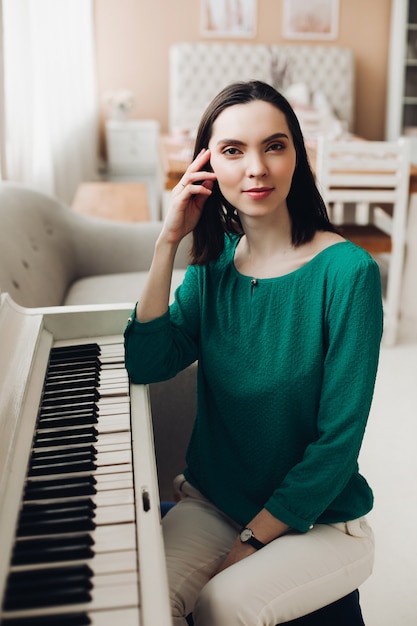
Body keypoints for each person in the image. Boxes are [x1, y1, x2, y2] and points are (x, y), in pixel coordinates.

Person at [124, 80, 383, 626]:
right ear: (208, 166)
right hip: (215, 501)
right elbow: (147, 361)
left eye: (274, 145)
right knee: (145, 603)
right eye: (233, 151)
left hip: (319, 517)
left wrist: (250, 541)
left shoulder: (348, 274)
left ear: (297, 156)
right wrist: (166, 243)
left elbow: (336, 445)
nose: (257, 168)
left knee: (224, 603)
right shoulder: (214, 267)